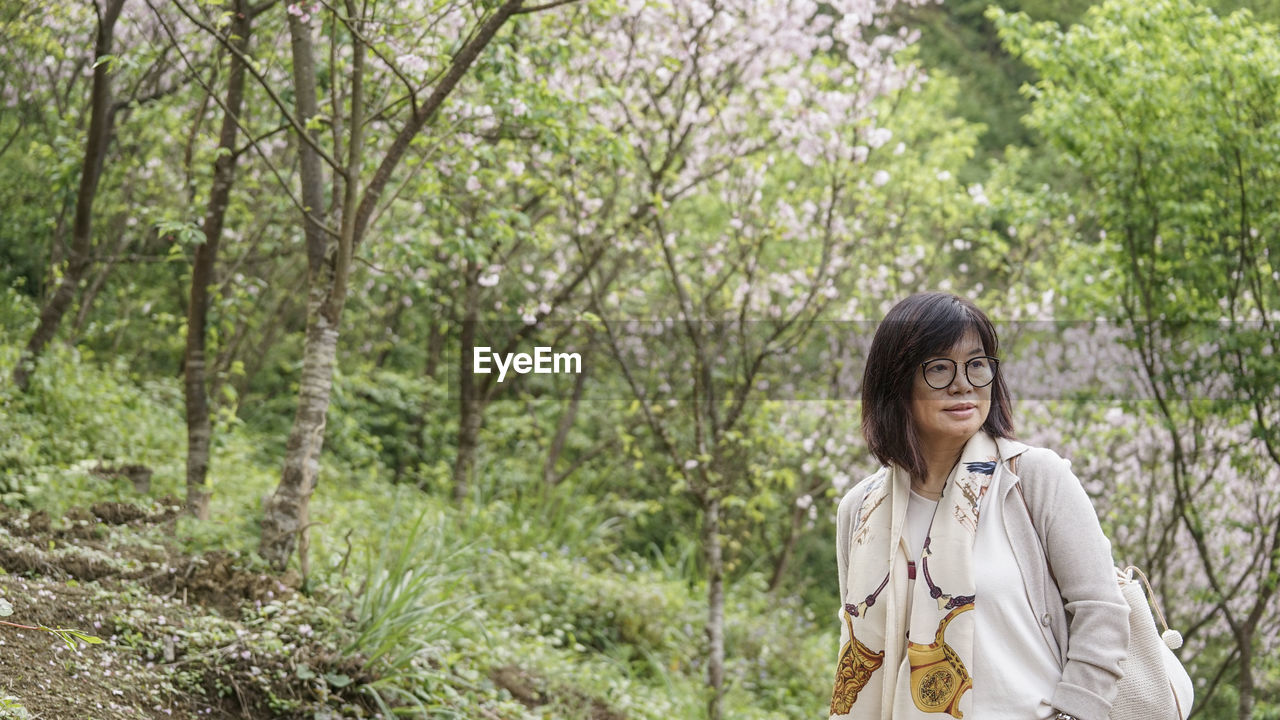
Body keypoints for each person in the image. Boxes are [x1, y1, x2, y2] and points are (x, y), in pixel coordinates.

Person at [828, 292, 1129, 720]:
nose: (963, 383)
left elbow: (1102, 611)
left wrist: (1074, 714)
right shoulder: (860, 511)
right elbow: (859, 647)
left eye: (977, 364)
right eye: (938, 368)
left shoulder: (1034, 480)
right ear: (895, 384)